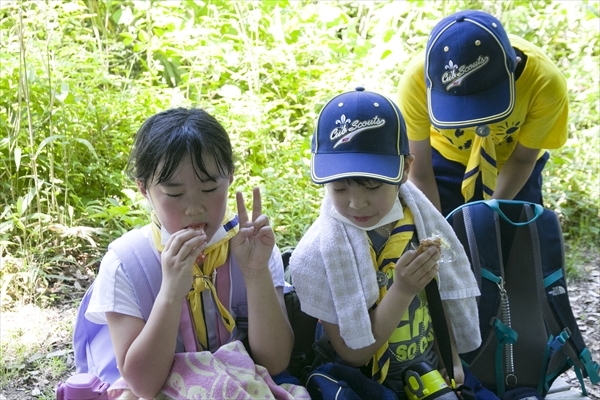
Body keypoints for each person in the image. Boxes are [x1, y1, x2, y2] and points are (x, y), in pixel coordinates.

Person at [85, 107, 294, 398]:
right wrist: (170, 293)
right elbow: (143, 386)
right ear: (144, 188)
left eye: (209, 189)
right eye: (174, 194)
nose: (194, 208)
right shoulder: (125, 264)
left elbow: (274, 361)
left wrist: (256, 273)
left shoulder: (251, 246)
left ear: (230, 177)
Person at [289, 87, 481, 398]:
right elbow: (354, 354)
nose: (356, 203)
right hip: (368, 384)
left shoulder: (422, 223)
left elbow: (443, 290)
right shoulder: (318, 253)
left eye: (372, 185)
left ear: (405, 168)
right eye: (339, 188)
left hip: (432, 370)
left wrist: (451, 359)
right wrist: (402, 289)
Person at [397, 10, 568, 216]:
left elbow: (523, 159)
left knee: (514, 238)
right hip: (445, 159)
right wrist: (437, 230)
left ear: (514, 65)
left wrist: (489, 215)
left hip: (513, 163)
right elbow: (420, 171)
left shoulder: (545, 83)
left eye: (486, 101)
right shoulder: (417, 82)